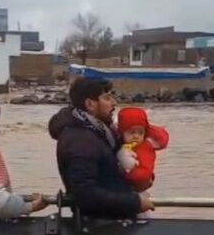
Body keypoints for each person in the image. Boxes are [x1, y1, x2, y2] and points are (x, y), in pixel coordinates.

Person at [48, 77, 153, 218]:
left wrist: (139, 180)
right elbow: (85, 193)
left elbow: (108, 175)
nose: (114, 103)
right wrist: (134, 203)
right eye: (107, 98)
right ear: (90, 104)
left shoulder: (99, 132)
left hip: (110, 221)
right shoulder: (80, 141)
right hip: (100, 227)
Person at [116, 107, 169, 192]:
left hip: (135, 185)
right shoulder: (119, 145)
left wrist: (127, 177)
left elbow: (162, 139)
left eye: (141, 132)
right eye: (132, 132)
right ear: (122, 132)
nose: (136, 136)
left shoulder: (145, 147)